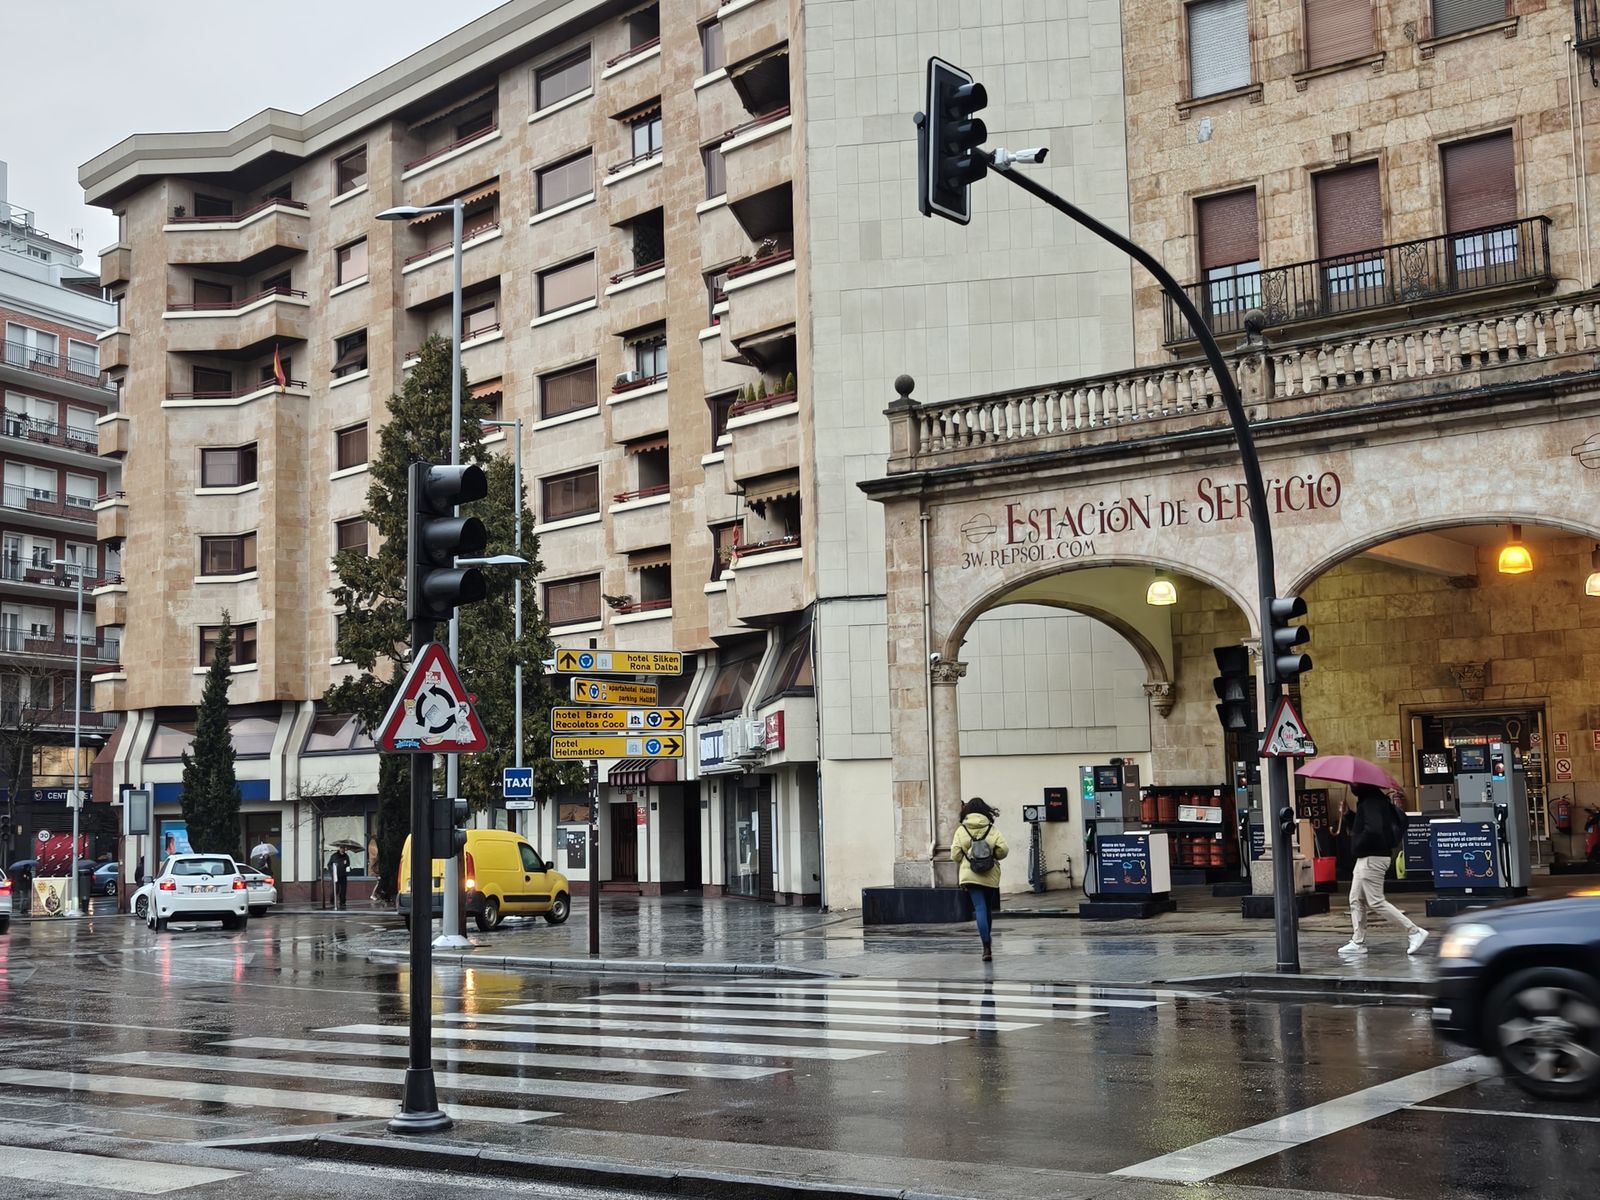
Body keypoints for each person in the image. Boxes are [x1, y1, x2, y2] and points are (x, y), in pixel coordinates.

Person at [1339, 784, 1428, 958]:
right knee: (1355, 899)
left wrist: (1357, 845)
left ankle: (1414, 931)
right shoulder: (1373, 801)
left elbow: (1373, 830)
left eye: (1354, 783)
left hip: (1372, 858)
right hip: (1367, 858)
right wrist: (1348, 815)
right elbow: (1365, 825)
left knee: (1375, 901)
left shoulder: (1371, 803)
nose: (1352, 786)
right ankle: (1358, 942)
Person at [950, 797, 1009, 961]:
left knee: (980, 908)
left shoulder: (961, 830)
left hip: (970, 875)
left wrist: (966, 857)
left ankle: (986, 945)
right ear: (985, 811)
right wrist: (992, 855)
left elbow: (954, 854)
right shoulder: (992, 829)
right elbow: (1003, 850)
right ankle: (988, 943)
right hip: (990, 874)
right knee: (987, 908)